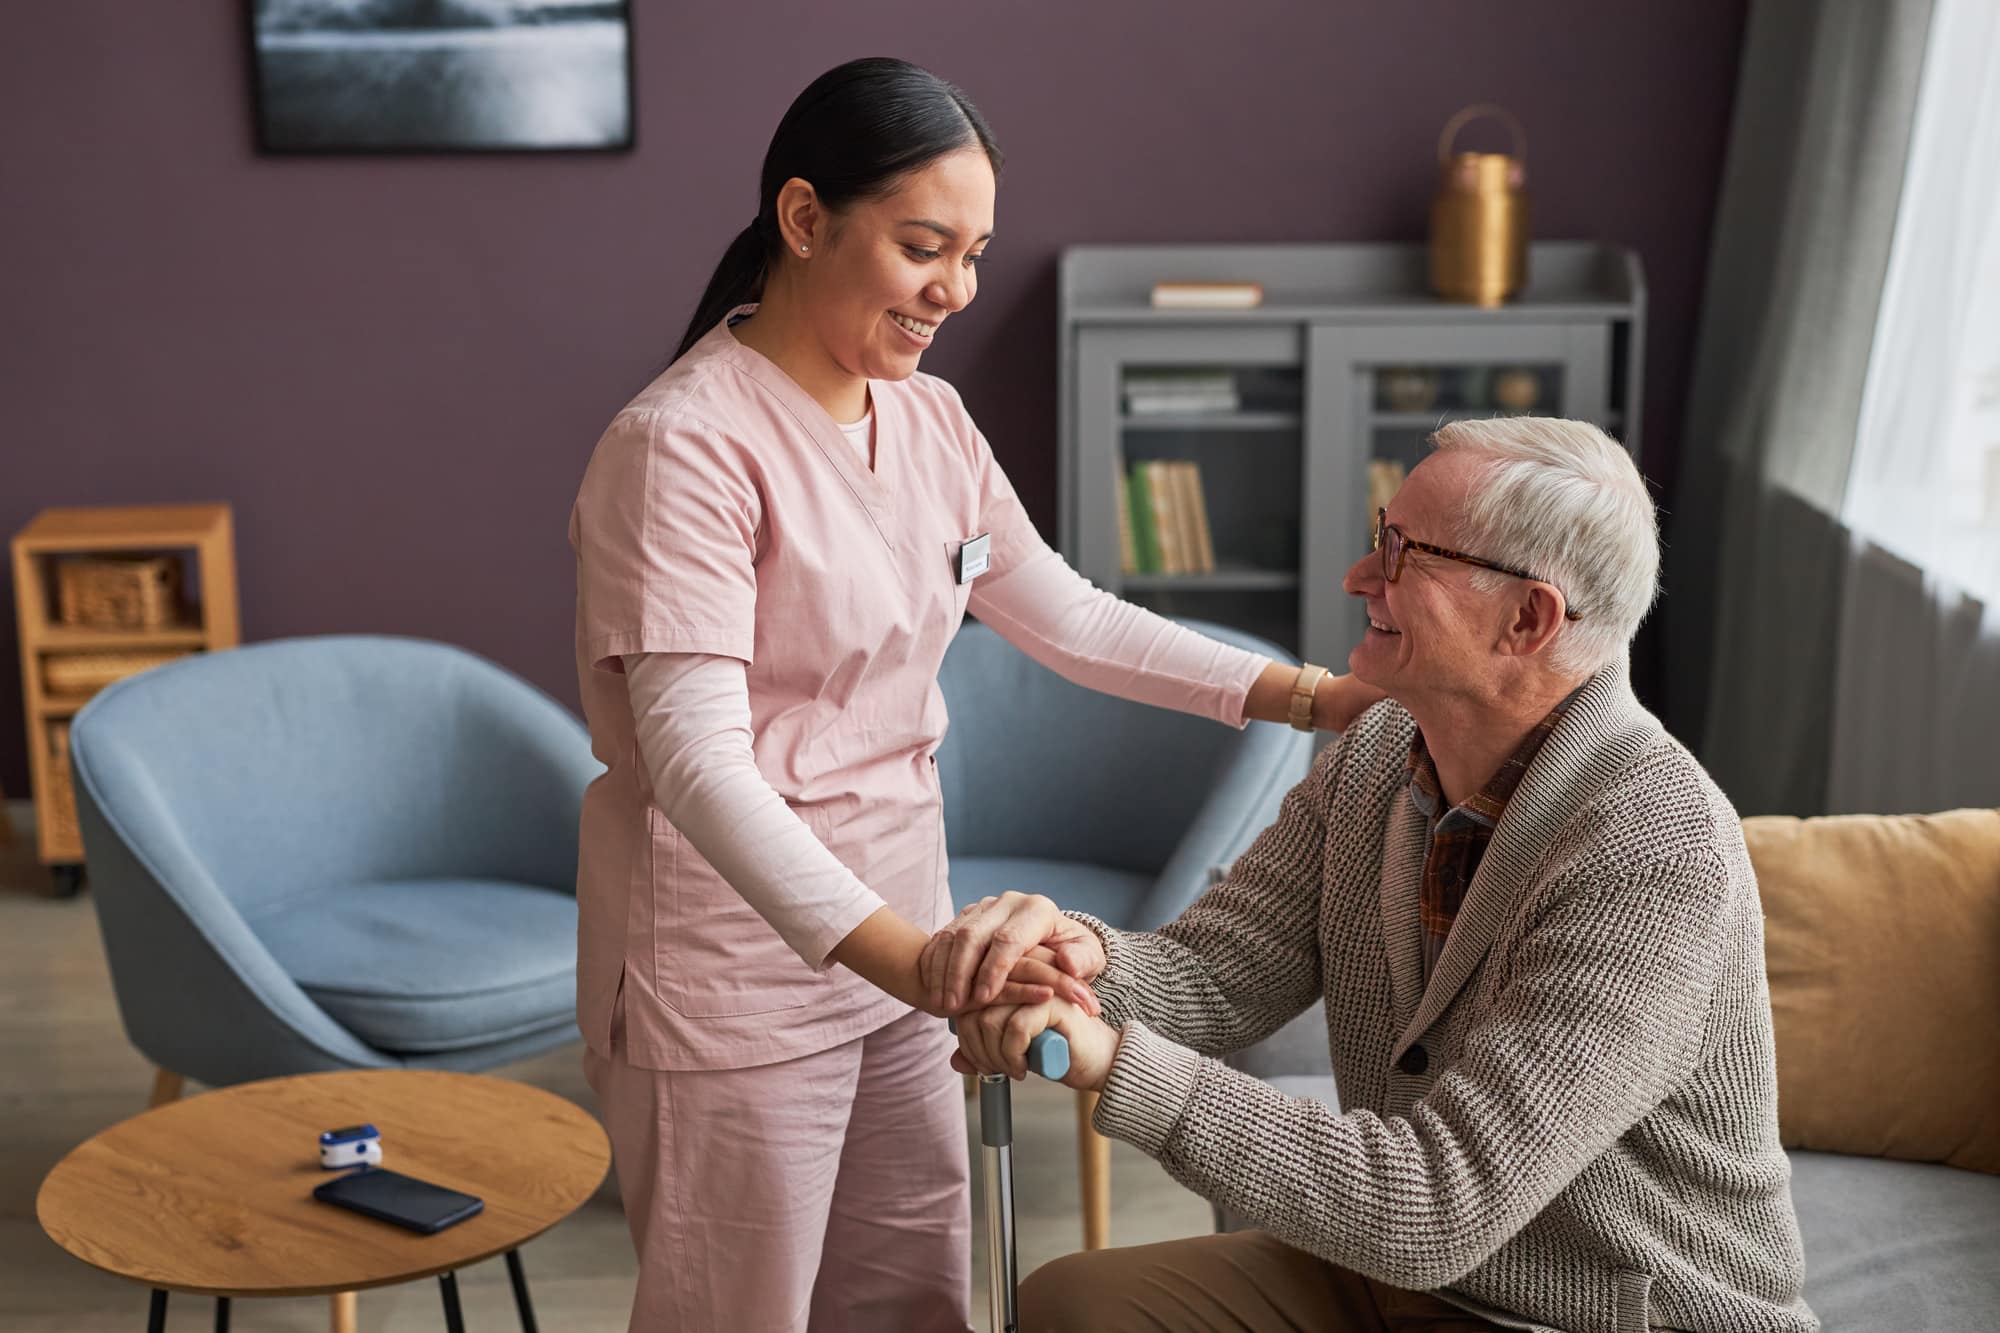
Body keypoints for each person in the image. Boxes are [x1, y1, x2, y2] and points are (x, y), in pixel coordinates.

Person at [566, 56, 1382, 1332]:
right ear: (800, 219)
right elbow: (698, 767)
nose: (954, 290)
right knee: (739, 1312)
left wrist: (1306, 697)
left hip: (903, 936)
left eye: (975, 254)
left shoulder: (929, 420)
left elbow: (1066, 615)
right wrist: (918, 959)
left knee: (910, 1297)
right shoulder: (681, 448)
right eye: (921, 247)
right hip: (736, 967)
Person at [944, 417, 1816, 1332]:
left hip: (1601, 1315)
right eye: (1377, 537)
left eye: (1403, 554)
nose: (1362, 577)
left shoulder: (1655, 851)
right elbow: (1210, 976)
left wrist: (1115, 1063)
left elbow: (1439, 1204)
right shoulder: (1376, 755)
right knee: (1073, 1307)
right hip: (1406, 1280)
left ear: (1528, 618)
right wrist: (1075, 957)